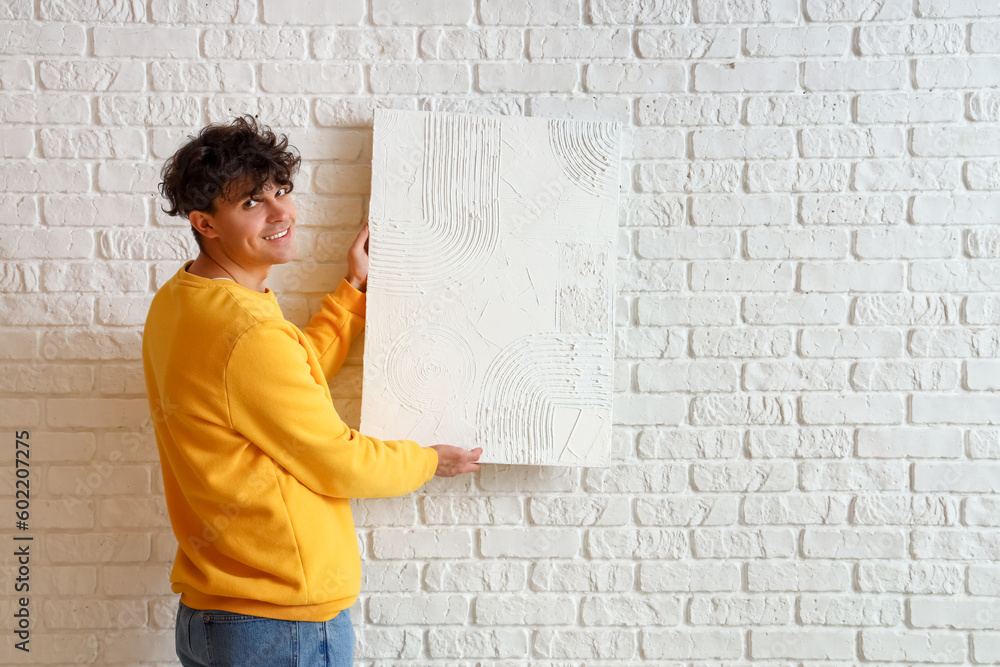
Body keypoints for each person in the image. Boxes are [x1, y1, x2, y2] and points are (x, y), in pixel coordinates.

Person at [141, 115, 482, 667]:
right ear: (205, 222)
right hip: (278, 627)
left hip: (212, 619)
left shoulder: (181, 302)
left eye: (280, 191)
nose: (281, 213)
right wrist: (426, 460)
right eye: (251, 203)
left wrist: (351, 293)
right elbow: (337, 461)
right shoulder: (247, 333)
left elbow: (280, 384)